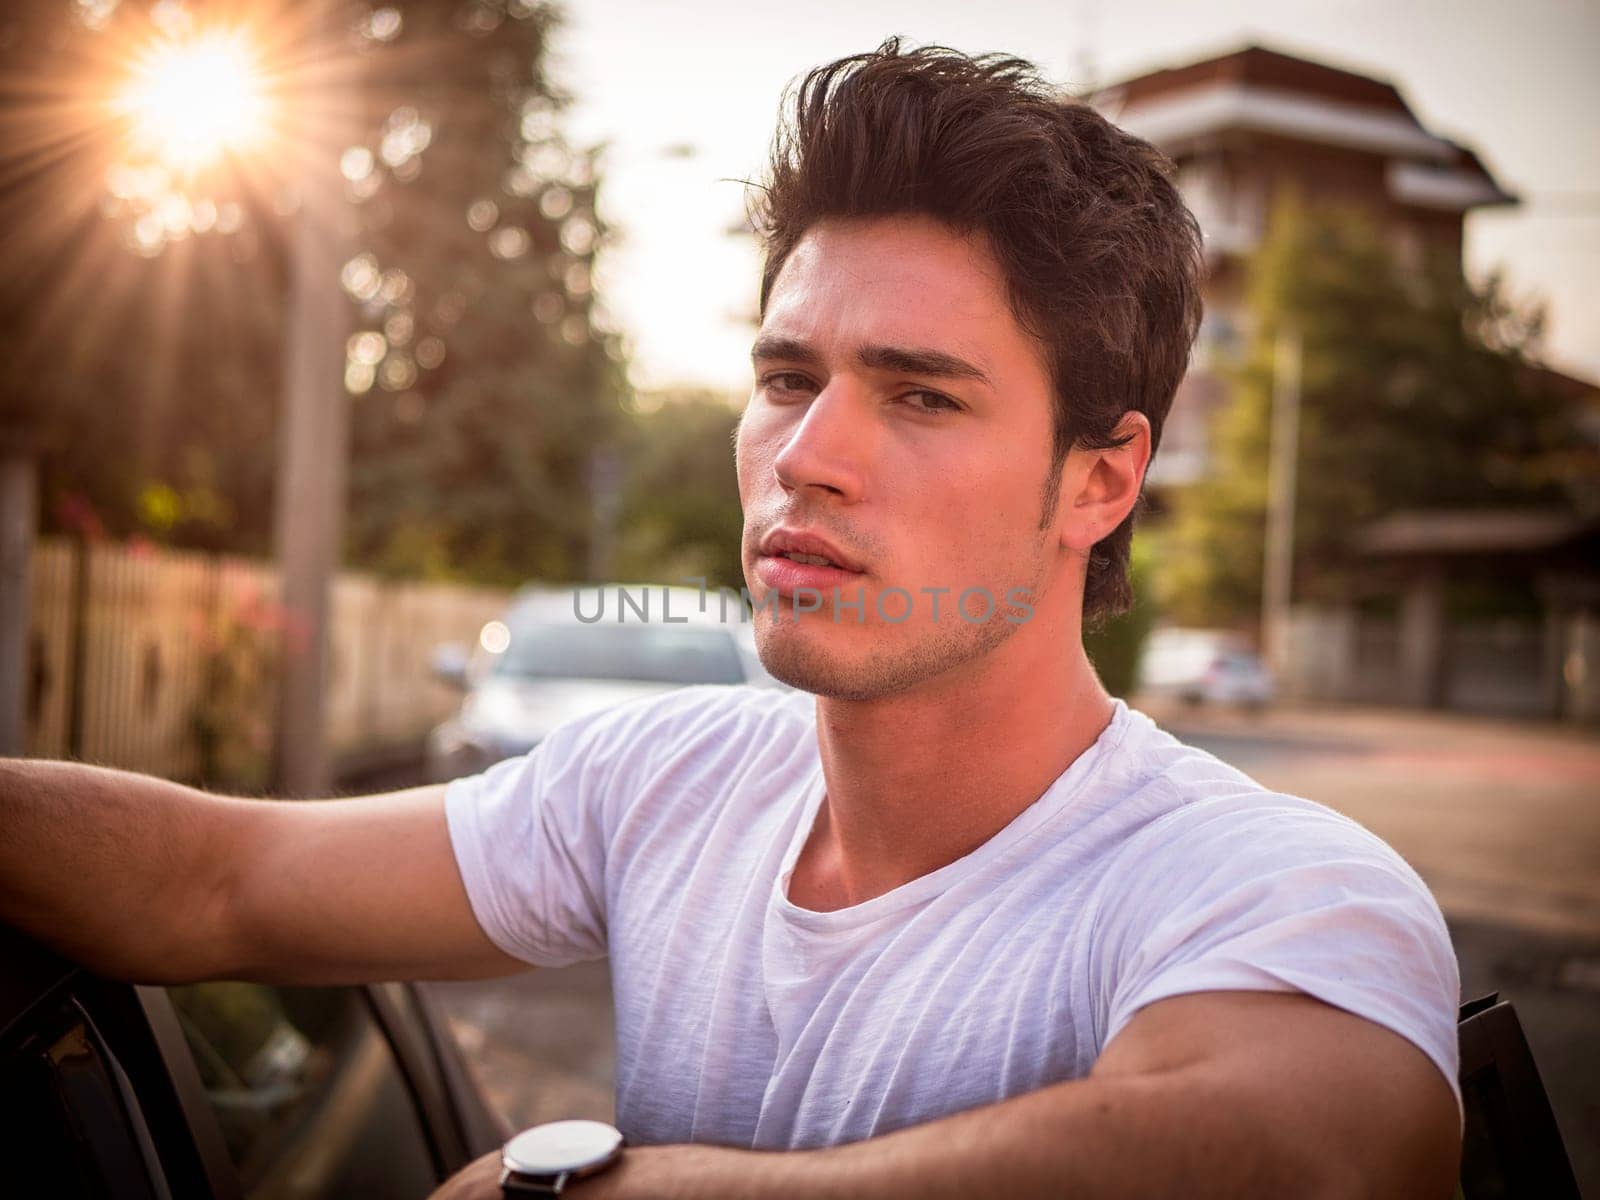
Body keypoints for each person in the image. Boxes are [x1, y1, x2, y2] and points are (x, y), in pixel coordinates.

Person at [0, 40, 1461, 1200]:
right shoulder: (666, 782)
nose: (810, 452)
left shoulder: (1257, 881)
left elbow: (1318, 1159)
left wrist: (614, 1191)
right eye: (784, 378)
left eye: (921, 393)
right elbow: (219, 885)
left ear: (1101, 479)